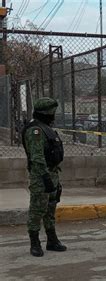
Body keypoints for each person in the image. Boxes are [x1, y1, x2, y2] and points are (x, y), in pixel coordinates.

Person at [21, 97, 67, 257]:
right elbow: (37, 157)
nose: (54, 116)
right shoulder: (35, 130)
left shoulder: (46, 128)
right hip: (41, 176)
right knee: (37, 209)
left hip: (52, 173)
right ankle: (34, 243)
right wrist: (45, 178)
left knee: (50, 209)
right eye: (52, 113)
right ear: (45, 113)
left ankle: (52, 240)